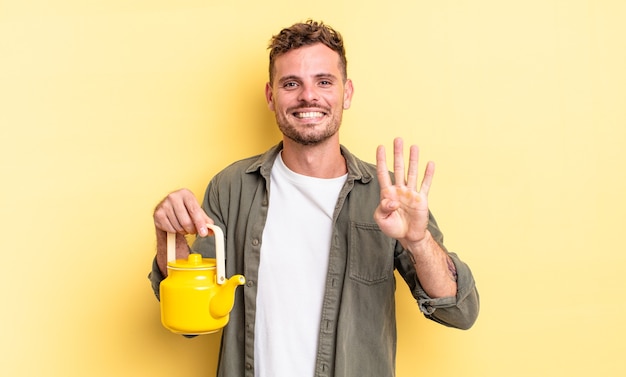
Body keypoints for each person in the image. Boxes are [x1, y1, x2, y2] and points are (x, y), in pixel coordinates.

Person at [149, 20, 479, 377]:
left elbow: (458, 311)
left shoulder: (388, 197)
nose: (309, 96)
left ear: (347, 92)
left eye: (324, 82)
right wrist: (171, 238)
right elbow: (191, 318)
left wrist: (418, 240)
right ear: (271, 95)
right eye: (291, 84)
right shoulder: (231, 188)